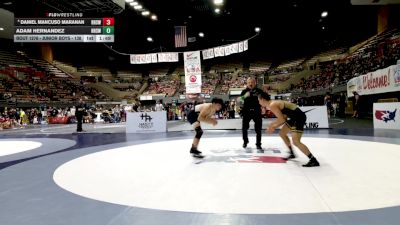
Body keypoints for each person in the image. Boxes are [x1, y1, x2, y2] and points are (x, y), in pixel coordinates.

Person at [258, 92, 320, 167]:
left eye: (259, 100)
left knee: (296, 141)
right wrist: (273, 126)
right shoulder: (273, 104)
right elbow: (283, 118)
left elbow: (281, 120)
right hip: (293, 118)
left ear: (262, 99)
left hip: (298, 117)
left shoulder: (272, 105)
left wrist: (272, 126)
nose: (259, 102)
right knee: (282, 133)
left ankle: (313, 160)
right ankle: (292, 153)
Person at [240, 77, 263, 149]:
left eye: (252, 82)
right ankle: (245, 141)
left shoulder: (259, 91)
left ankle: (258, 143)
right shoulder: (244, 91)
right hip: (246, 111)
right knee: (244, 128)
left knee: (258, 129)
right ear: (247, 83)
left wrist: (263, 107)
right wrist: (245, 96)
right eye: (249, 82)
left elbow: (263, 100)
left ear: (255, 83)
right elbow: (240, 100)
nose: (250, 84)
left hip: (257, 111)